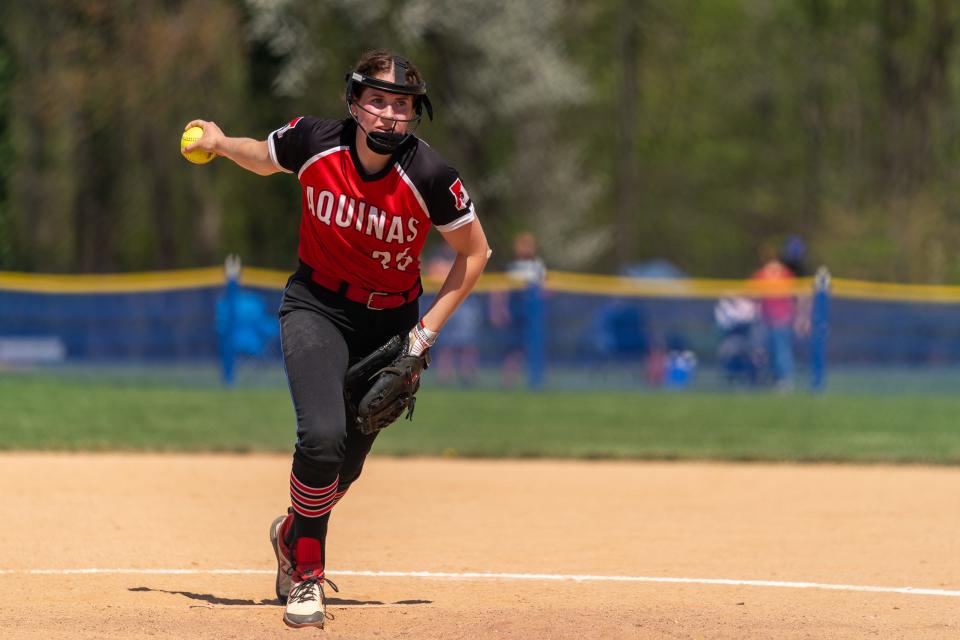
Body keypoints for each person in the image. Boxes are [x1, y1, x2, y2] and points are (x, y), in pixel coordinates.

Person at [183, 50, 490, 629]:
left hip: (392, 326)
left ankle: (292, 535)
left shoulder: (430, 177)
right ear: (353, 103)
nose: (389, 115)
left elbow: (476, 253)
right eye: (377, 101)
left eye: (401, 105)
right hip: (316, 306)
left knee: (343, 467)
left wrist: (424, 335)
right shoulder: (314, 141)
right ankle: (306, 576)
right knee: (321, 440)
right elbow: (262, 156)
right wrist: (222, 143)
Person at [489, 231, 546, 387]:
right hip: (514, 312)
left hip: (532, 312)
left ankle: (532, 380)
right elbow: (500, 290)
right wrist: (499, 310)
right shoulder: (511, 267)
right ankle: (508, 380)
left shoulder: (537, 266)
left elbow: (546, 289)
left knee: (529, 347)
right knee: (512, 348)